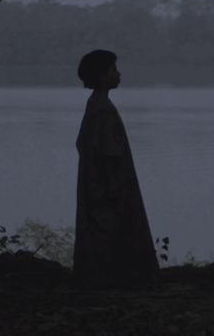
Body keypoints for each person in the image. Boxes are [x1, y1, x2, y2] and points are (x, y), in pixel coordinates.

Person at [72, 50, 159, 289]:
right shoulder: (103, 109)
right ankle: (112, 281)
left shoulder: (95, 104)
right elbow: (109, 154)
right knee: (109, 233)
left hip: (98, 186)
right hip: (109, 188)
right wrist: (114, 189)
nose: (118, 74)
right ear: (102, 76)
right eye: (113, 70)